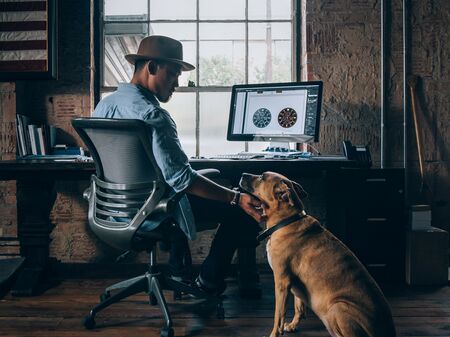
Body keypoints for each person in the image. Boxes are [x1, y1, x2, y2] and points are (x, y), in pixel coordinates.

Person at [93, 35, 263, 295]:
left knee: (220, 191)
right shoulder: (154, 115)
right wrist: (237, 198)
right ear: (151, 68)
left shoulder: (103, 108)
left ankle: (180, 271)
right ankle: (209, 281)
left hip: (113, 210)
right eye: (172, 74)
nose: (177, 84)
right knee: (241, 207)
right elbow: (183, 180)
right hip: (152, 211)